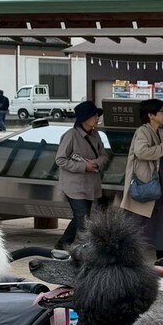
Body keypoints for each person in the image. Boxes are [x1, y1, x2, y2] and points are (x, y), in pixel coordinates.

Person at [123, 100, 163, 270]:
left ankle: (162, 257)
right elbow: (141, 152)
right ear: (151, 115)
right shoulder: (142, 132)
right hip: (144, 182)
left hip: (159, 180)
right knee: (137, 220)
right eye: (162, 112)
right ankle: (127, 256)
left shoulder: (160, 132)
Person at [55, 100, 109, 246]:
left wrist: (96, 163)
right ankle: (83, 248)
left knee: (82, 216)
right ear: (85, 118)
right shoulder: (71, 135)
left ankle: (63, 243)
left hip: (90, 185)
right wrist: (83, 166)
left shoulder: (95, 135)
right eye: (94, 115)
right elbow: (60, 159)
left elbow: (103, 154)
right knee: (83, 218)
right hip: (74, 186)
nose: (97, 118)